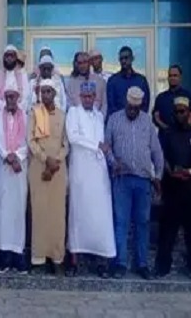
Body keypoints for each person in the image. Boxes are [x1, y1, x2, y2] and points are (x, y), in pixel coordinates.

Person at [105, 86, 164, 280]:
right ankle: (120, 263)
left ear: (140, 106)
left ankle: (142, 264)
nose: (132, 111)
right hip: (121, 179)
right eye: (130, 107)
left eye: (136, 108)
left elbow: (156, 151)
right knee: (121, 222)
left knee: (143, 223)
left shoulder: (147, 121)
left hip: (143, 180)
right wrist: (113, 162)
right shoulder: (114, 119)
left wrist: (158, 176)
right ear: (126, 102)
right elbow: (106, 147)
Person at [66, 82, 116, 276]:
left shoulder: (99, 116)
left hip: (98, 172)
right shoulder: (73, 113)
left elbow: (103, 144)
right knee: (78, 214)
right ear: (80, 96)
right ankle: (74, 260)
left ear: (95, 97)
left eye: (91, 96)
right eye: (85, 96)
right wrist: (96, 145)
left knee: (101, 217)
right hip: (80, 172)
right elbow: (73, 137)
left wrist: (103, 152)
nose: (88, 99)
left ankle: (102, 259)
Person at [155, 96, 191, 281]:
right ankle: (162, 267)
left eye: (182, 111)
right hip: (172, 187)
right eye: (176, 112)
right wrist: (171, 170)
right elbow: (161, 156)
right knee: (167, 230)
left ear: (188, 112)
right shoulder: (168, 133)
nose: (179, 115)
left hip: (190, 188)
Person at [27, 79, 69, 273]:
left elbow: (66, 144)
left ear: (54, 93)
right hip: (39, 168)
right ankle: (38, 258)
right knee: (40, 213)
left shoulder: (62, 115)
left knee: (57, 215)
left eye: (48, 91)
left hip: (57, 170)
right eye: (42, 92)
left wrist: (55, 161)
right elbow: (30, 140)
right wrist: (45, 159)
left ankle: (57, 257)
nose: (45, 95)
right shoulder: (34, 113)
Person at [0, 84, 29, 274]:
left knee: (18, 209)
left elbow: (29, 141)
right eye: (8, 97)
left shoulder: (26, 117)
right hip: (3, 167)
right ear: (4, 98)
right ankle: (3, 254)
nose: (11, 100)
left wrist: (17, 156)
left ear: (18, 98)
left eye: (14, 96)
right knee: (3, 208)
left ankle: (17, 254)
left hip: (20, 168)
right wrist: (7, 155)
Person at [106, 46, 150, 119]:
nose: (123, 61)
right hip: (118, 122)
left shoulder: (141, 81)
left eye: (126, 58)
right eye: (121, 59)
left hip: (138, 122)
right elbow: (111, 107)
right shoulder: (112, 81)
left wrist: (136, 119)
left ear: (132, 58)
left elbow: (145, 105)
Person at [153, 65, 191, 133]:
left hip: (183, 137)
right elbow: (156, 118)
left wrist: (183, 130)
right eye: (170, 75)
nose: (172, 78)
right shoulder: (160, 98)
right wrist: (166, 128)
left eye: (175, 75)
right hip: (165, 137)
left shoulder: (187, 96)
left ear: (180, 77)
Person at [66, 51, 107, 116]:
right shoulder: (71, 83)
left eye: (85, 62)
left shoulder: (100, 81)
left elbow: (105, 104)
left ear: (89, 63)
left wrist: (100, 118)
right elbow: (69, 105)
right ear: (76, 64)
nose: (82, 66)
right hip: (77, 119)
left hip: (97, 119)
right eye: (80, 63)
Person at [0, 45, 30, 112]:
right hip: (1, 113)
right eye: (7, 56)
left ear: (16, 58)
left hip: (19, 113)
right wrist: (5, 108)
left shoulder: (23, 75)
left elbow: (26, 96)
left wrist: (16, 109)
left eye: (12, 56)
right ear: (3, 58)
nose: (9, 58)